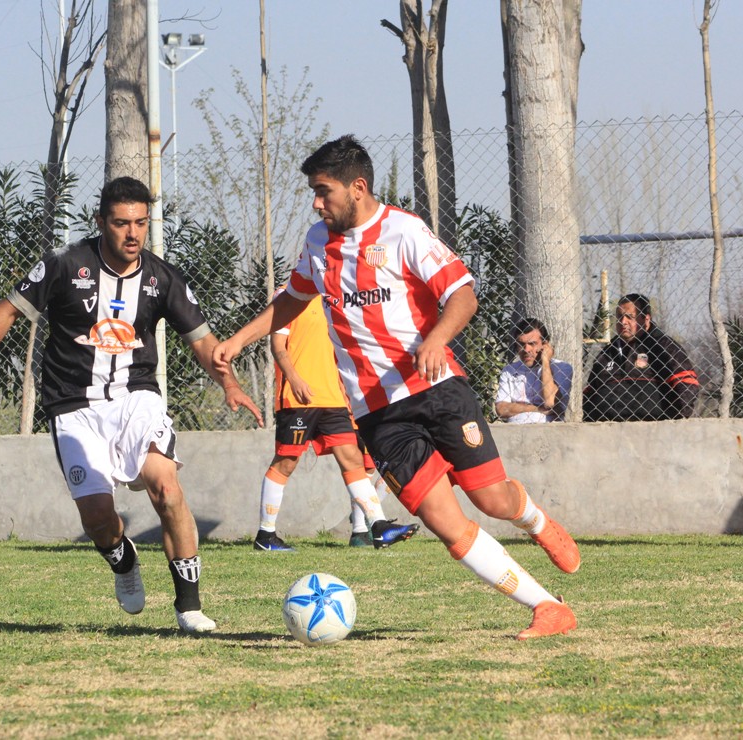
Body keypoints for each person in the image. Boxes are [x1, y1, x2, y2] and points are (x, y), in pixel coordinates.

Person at [213, 135, 581, 640]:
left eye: (324, 191)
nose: (317, 203)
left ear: (357, 188)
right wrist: (239, 339)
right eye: (313, 194)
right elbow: (293, 299)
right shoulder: (318, 243)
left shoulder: (405, 232)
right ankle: (547, 608)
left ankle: (537, 522)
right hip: (377, 415)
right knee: (446, 525)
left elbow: (463, 295)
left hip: (437, 391)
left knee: (493, 502)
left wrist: (435, 339)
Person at [0, 177, 262, 635]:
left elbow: (202, 341)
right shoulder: (64, 264)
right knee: (97, 517)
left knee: (167, 489)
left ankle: (189, 606)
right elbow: (7, 311)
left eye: (140, 223)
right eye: (121, 223)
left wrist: (229, 385)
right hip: (73, 406)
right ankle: (123, 559)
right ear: (101, 222)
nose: (132, 233)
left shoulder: (162, 278)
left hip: (136, 399)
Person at [255, 286, 420, 552]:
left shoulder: (336, 299)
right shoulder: (287, 295)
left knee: (352, 458)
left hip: (332, 399)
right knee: (286, 463)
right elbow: (278, 346)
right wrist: (295, 379)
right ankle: (266, 535)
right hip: (299, 398)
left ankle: (377, 527)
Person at [584, 293, 699, 422]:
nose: (623, 322)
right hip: (606, 428)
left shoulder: (663, 345)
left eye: (629, 317)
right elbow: (590, 391)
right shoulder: (608, 352)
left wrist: (677, 421)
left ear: (646, 319)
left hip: (651, 427)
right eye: (619, 317)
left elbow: (687, 383)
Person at [495, 318, 574, 423]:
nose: (526, 350)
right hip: (515, 430)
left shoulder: (562, 368)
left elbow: (550, 402)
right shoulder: (509, 370)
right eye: (521, 344)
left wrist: (545, 362)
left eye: (532, 344)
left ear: (544, 344)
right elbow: (501, 409)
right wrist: (537, 409)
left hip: (547, 428)